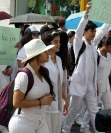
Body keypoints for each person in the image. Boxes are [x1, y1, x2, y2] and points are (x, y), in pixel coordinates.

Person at [63, 2, 111, 133]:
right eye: (92, 31)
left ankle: (98, 130)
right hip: (79, 83)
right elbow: (78, 30)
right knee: (73, 111)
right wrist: (86, 13)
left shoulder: (93, 44)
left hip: (90, 84)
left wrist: (109, 19)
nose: (94, 34)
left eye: (95, 31)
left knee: (94, 110)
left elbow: (103, 31)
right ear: (85, 32)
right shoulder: (79, 43)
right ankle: (65, 130)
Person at [9, 39, 55, 133]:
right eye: (45, 51)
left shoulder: (44, 72)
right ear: (36, 55)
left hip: (41, 121)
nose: (48, 54)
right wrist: (40, 102)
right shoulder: (24, 75)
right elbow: (16, 103)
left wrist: (48, 98)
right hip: (23, 124)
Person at [42, 31, 68, 133]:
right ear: (48, 43)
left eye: (59, 42)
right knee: (49, 130)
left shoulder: (59, 59)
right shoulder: (43, 60)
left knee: (57, 129)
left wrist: (65, 99)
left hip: (58, 102)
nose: (59, 44)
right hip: (47, 103)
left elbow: (59, 82)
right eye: (56, 42)